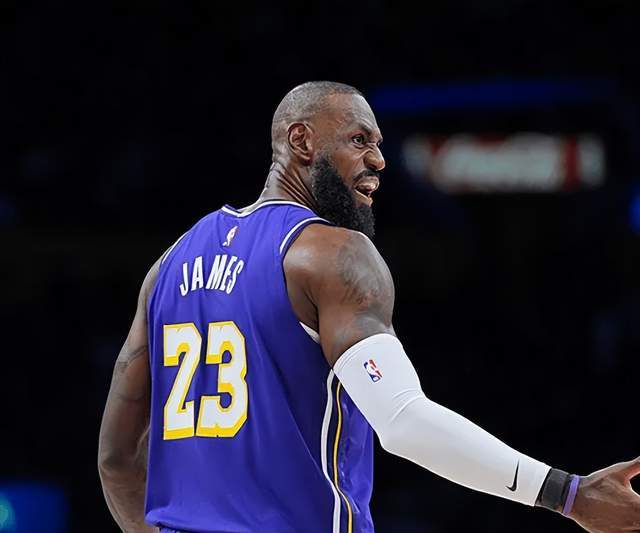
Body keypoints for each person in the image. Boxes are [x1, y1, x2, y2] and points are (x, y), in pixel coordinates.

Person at [98, 81, 640, 533]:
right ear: (301, 140)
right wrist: (568, 494)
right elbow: (402, 420)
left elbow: (116, 459)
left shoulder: (168, 265)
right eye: (359, 140)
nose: (379, 160)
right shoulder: (330, 253)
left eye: (378, 144)